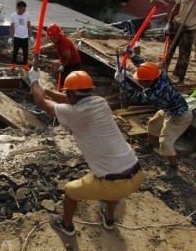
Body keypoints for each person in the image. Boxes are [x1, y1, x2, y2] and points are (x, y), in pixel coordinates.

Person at [29, 69, 143, 236]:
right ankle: (109, 219)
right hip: (136, 172)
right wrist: (44, 89)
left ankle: (66, 226)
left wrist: (34, 81)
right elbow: (70, 99)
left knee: (69, 191)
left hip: (113, 183)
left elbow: (41, 102)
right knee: (112, 178)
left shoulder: (73, 113)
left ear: (71, 94)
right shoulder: (101, 102)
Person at [115, 55, 192, 178]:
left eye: (140, 80)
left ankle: (173, 168)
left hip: (179, 116)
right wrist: (133, 56)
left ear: (149, 81)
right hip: (169, 109)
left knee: (165, 142)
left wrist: (122, 82)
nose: (138, 81)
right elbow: (146, 66)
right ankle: (150, 146)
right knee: (153, 123)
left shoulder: (153, 94)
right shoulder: (161, 74)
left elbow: (136, 96)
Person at [46, 24, 81, 88]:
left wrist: (63, 66)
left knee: (66, 82)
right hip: (67, 63)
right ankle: (60, 91)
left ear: (58, 35)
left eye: (53, 37)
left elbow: (69, 59)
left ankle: (64, 94)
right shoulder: (58, 39)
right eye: (51, 38)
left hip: (73, 64)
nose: (52, 40)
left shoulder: (63, 43)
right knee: (60, 81)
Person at [9, 0, 34, 71]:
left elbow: (29, 26)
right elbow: (11, 27)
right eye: (23, 8)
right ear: (18, 8)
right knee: (15, 52)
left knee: (25, 52)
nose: (25, 10)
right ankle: (13, 64)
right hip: (16, 37)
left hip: (25, 37)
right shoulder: (13, 16)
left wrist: (31, 36)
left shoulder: (27, 15)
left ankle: (25, 65)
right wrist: (10, 37)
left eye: (25, 8)